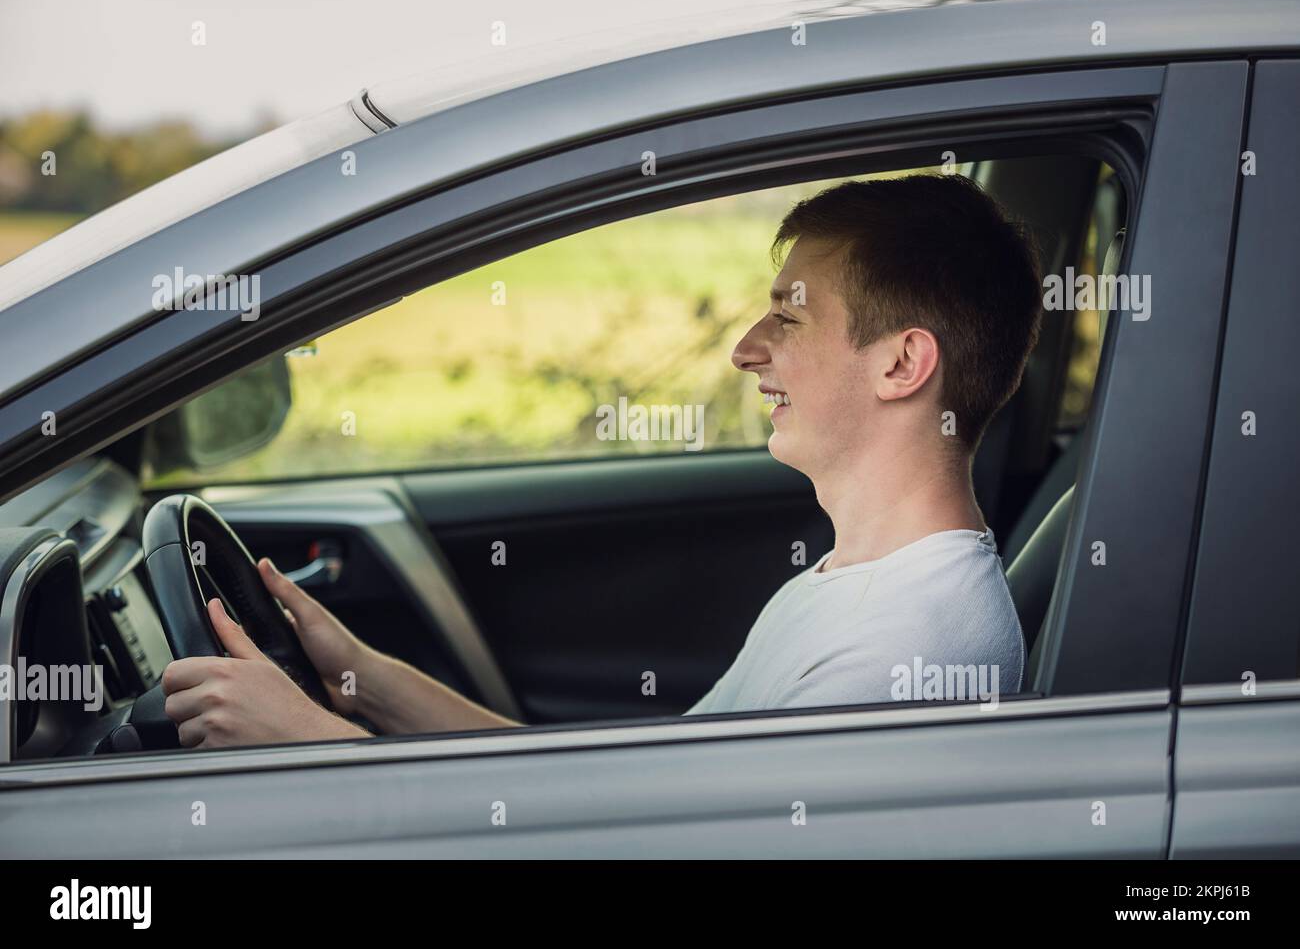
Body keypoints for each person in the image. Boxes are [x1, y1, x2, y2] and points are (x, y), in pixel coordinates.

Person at [162, 174, 1042, 748]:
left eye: (789, 316)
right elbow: (592, 804)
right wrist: (361, 677)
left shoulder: (901, 655)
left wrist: (308, 747)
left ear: (901, 364)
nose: (746, 349)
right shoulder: (854, 587)